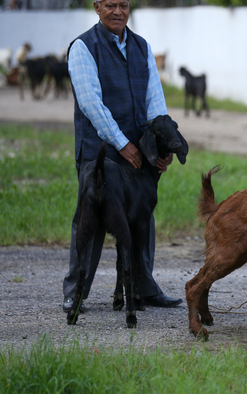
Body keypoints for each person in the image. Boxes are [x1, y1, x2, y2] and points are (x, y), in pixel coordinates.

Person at [62, 0, 182, 313]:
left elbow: (155, 100)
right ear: (97, 7)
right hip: (98, 151)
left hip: (139, 151)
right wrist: (122, 144)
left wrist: (162, 146)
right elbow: (91, 105)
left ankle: (142, 288)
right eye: (111, 5)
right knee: (92, 218)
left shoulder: (142, 47)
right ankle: (75, 293)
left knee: (143, 213)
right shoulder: (83, 48)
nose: (118, 11)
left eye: (124, 5)